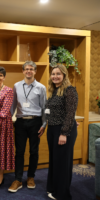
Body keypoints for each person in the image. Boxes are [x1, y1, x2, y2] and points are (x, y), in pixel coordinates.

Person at [9, 61, 47, 193]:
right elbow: (13, 104)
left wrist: (44, 124)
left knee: (34, 151)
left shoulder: (41, 87)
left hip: (35, 122)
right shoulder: (16, 86)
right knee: (19, 152)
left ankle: (31, 177)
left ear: (35, 71)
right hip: (20, 122)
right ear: (23, 71)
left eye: (31, 69)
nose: (28, 71)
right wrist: (9, 120)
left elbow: (44, 107)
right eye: (26, 69)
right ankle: (18, 179)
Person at [46, 64, 78, 200]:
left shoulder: (70, 90)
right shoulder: (53, 90)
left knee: (63, 162)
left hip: (63, 130)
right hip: (52, 129)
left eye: (58, 74)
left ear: (64, 75)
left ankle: (63, 195)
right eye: (53, 74)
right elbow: (49, 112)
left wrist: (64, 133)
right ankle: (53, 188)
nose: (55, 76)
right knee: (55, 161)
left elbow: (70, 113)